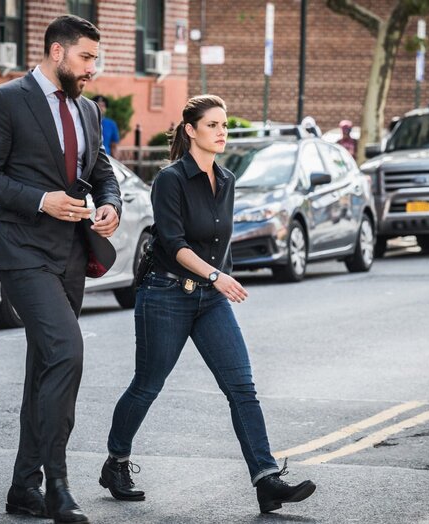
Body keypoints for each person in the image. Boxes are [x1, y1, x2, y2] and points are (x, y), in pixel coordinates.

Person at [99, 95, 316, 514]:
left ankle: (266, 480)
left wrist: (217, 280)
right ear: (191, 130)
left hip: (210, 299)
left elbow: (220, 241)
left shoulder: (228, 179)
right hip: (165, 293)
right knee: (148, 384)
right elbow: (173, 242)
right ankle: (116, 462)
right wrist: (217, 275)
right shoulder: (170, 180)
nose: (222, 132)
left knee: (242, 388)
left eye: (225, 125)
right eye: (213, 125)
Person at [0, 15, 122, 524]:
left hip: (72, 255)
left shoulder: (87, 109)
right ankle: (57, 486)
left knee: (45, 369)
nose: (92, 68)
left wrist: (110, 204)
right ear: (57, 52)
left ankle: (22, 486)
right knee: (67, 351)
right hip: (23, 251)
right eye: (86, 57)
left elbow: (101, 170)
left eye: (95, 59)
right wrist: (40, 201)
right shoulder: (5, 100)